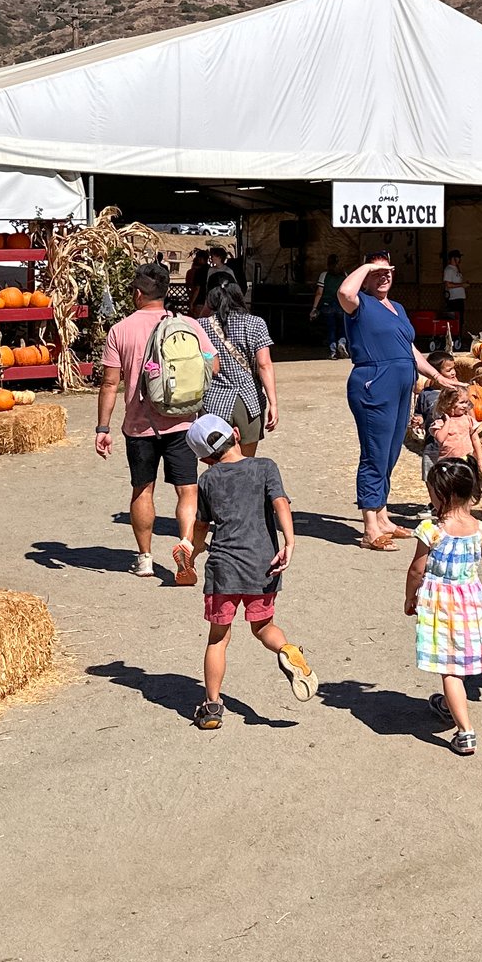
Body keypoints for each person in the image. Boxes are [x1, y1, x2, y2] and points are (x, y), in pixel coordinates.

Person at [180, 413, 314, 731]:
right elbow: (280, 503)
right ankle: (287, 650)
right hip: (262, 566)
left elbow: (201, 526)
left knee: (218, 639)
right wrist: (289, 542)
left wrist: (192, 551)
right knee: (263, 627)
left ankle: (212, 706)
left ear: (204, 459)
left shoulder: (207, 480)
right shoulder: (265, 467)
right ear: (237, 434)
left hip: (224, 570)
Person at [95, 260, 214, 581]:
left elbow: (109, 383)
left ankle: (145, 558)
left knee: (142, 490)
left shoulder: (120, 330)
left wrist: (103, 428)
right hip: (183, 422)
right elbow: (212, 367)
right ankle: (186, 546)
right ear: (164, 292)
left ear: (137, 293)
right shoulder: (188, 324)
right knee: (187, 490)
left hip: (139, 426)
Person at [338, 254, 461, 549]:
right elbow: (344, 291)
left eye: (388, 272)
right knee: (374, 453)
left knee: (391, 452)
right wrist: (369, 266)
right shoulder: (358, 304)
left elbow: (409, 348)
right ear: (365, 276)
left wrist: (436, 376)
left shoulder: (398, 308)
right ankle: (369, 527)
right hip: (373, 385)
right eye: (377, 273)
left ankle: (382, 516)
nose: (384, 277)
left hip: (400, 388)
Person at [405, 455, 482, 758]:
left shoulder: (431, 530)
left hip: (440, 604)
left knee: (449, 669)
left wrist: (410, 597)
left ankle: (465, 732)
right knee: (459, 662)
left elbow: (416, 570)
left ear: (443, 495)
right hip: (470, 603)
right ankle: (451, 704)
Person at [196, 270, 278, 456]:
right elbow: (264, 364)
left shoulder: (201, 326)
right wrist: (274, 403)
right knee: (246, 463)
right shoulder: (256, 323)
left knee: (218, 465)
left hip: (213, 402)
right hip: (248, 401)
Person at [308, 252, 346, 359]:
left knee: (331, 328)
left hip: (327, 305)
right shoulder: (344, 275)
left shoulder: (324, 275)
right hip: (341, 305)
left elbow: (319, 293)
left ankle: (332, 351)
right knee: (343, 327)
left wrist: (314, 308)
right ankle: (342, 343)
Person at [442, 250, 467, 334]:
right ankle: (454, 336)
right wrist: (461, 285)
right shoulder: (449, 269)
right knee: (455, 320)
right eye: (457, 257)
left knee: (460, 320)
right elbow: (448, 285)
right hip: (453, 299)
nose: (459, 259)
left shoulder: (456, 269)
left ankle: (458, 336)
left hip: (459, 298)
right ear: (453, 258)